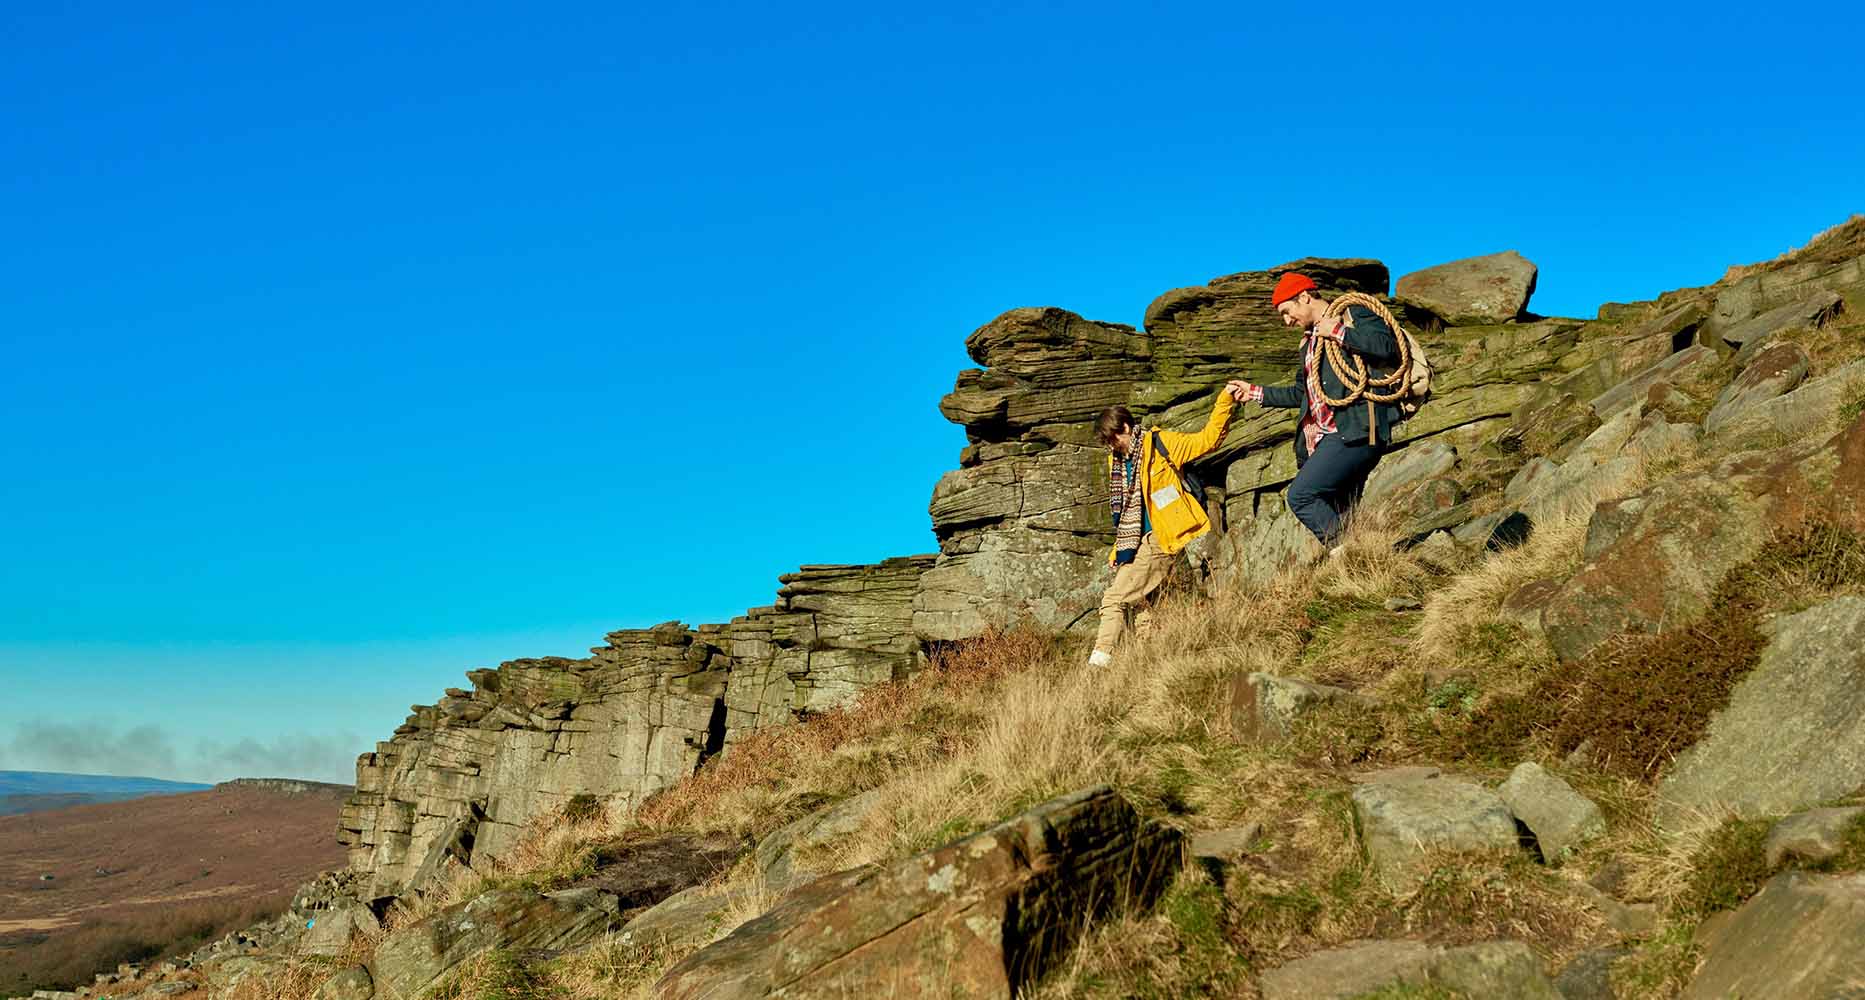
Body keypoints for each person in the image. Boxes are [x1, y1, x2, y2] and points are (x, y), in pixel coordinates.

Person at [1226, 272, 1404, 551]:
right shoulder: (1308, 343)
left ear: (1305, 297)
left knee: (1301, 496)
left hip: (1355, 429)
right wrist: (1254, 392)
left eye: (1287, 312)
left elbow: (1387, 348)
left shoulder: (1353, 313)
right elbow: (1303, 395)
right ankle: (1367, 565)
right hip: (1329, 439)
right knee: (1343, 512)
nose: (1287, 321)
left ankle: (1350, 554)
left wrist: (1338, 331)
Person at [1088, 389, 1238, 667]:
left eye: (1112, 439)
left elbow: (1208, 439)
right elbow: (1127, 513)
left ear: (1125, 427)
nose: (1111, 446)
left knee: (1113, 600)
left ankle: (1098, 664)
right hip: (1134, 542)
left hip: (1162, 538)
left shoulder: (1162, 443)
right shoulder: (1117, 461)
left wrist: (1225, 401)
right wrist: (1117, 553)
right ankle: (1145, 663)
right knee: (1144, 606)